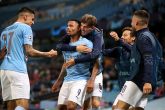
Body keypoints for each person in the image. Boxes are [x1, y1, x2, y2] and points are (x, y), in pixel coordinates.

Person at [0, 7, 57, 110]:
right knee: (23, 105)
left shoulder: (5, 31)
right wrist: (47, 54)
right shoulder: (26, 28)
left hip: (4, 70)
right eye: (32, 19)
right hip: (17, 69)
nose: (33, 22)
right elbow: (30, 51)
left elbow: (0, 55)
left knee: (11, 106)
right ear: (25, 17)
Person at [113, 10, 161, 110]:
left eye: (131, 21)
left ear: (136, 23)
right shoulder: (152, 37)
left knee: (118, 108)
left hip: (138, 79)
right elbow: (160, 59)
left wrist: (147, 81)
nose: (131, 24)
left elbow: (148, 58)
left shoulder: (142, 37)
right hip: (148, 80)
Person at [55, 14, 104, 110]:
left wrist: (75, 61)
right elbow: (59, 46)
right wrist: (76, 48)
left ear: (92, 28)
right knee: (85, 105)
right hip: (83, 74)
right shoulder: (79, 31)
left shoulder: (97, 36)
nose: (82, 29)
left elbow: (95, 56)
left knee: (95, 103)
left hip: (95, 72)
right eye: (81, 25)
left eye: (85, 27)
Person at [52, 19, 93, 110]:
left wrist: (92, 80)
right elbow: (65, 63)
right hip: (67, 80)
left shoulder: (86, 43)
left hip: (81, 80)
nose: (68, 27)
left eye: (71, 26)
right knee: (61, 108)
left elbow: (95, 61)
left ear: (79, 28)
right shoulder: (66, 44)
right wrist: (59, 81)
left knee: (71, 106)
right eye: (67, 25)